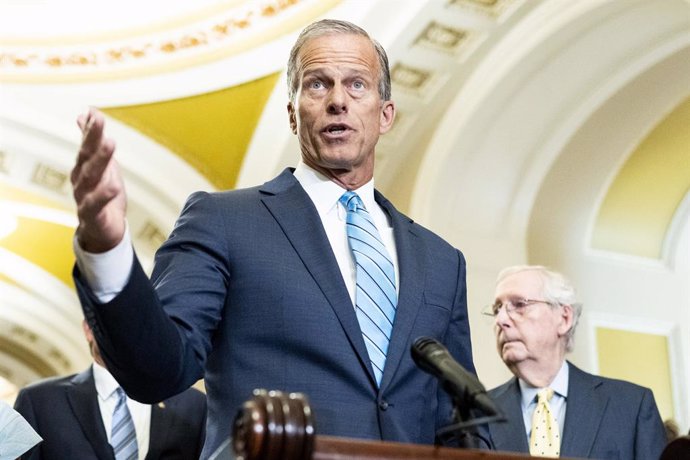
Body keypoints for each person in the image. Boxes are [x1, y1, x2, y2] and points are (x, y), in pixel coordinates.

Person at [69, 19, 475, 458]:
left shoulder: (441, 260)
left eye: (357, 85)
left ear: (386, 113)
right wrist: (106, 247)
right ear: (292, 113)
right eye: (317, 85)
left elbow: (462, 418)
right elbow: (159, 371)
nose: (338, 101)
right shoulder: (223, 220)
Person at [482, 265, 666, 458]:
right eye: (497, 309)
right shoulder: (475, 416)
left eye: (519, 304)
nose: (501, 319)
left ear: (564, 318)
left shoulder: (631, 406)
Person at [13, 321, 206, 459]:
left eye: (133, 315)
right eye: (111, 315)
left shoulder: (195, 406)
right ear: (88, 328)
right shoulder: (38, 402)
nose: (123, 323)